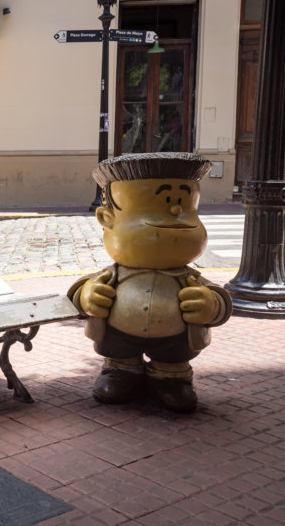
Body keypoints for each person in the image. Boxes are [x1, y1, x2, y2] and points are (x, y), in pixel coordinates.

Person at [67, 152, 232, 413]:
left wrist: (211, 304)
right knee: (119, 355)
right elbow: (78, 293)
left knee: (174, 359)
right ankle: (120, 370)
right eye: (165, 203)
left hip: (175, 341)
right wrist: (87, 295)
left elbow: (217, 297)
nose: (177, 211)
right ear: (106, 220)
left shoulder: (189, 278)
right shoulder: (112, 275)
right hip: (119, 337)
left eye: (184, 205)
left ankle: (172, 378)